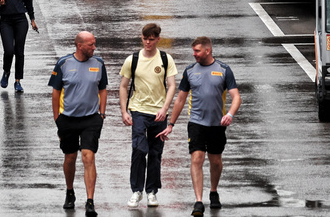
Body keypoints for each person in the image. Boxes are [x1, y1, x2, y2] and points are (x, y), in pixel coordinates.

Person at [164, 37, 241, 216]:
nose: (194, 54)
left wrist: (229, 114)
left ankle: (213, 191)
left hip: (217, 124)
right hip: (196, 123)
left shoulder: (223, 70)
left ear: (208, 50)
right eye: (194, 51)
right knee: (196, 158)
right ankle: (198, 201)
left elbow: (236, 96)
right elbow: (181, 99)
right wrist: (171, 124)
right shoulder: (190, 71)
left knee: (215, 161)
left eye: (197, 51)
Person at [119, 23, 178, 208]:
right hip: (138, 110)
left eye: (151, 39)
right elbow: (123, 86)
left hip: (159, 113)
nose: (147, 43)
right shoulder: (133, 59)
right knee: (139, 150)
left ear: (158, 39)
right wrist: (124, 111)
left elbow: (172, 86)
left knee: (155, 153)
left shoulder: (165, 59)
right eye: (145, 39)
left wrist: (164, 108)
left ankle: (151, 191)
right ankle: (136, 190)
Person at [49, 31, 108, 217]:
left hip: (91, 118)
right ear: (79, 45)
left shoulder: (98, 64)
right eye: (91, 44)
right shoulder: (64, 63)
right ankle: (70, 192)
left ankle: (90, 201)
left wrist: (102, 114)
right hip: (68, 119)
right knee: (70, 157)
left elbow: (103, 89)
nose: (94, 47)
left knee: (88, 156)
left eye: (94, 44)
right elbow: (56, 91)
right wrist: (57, 118)